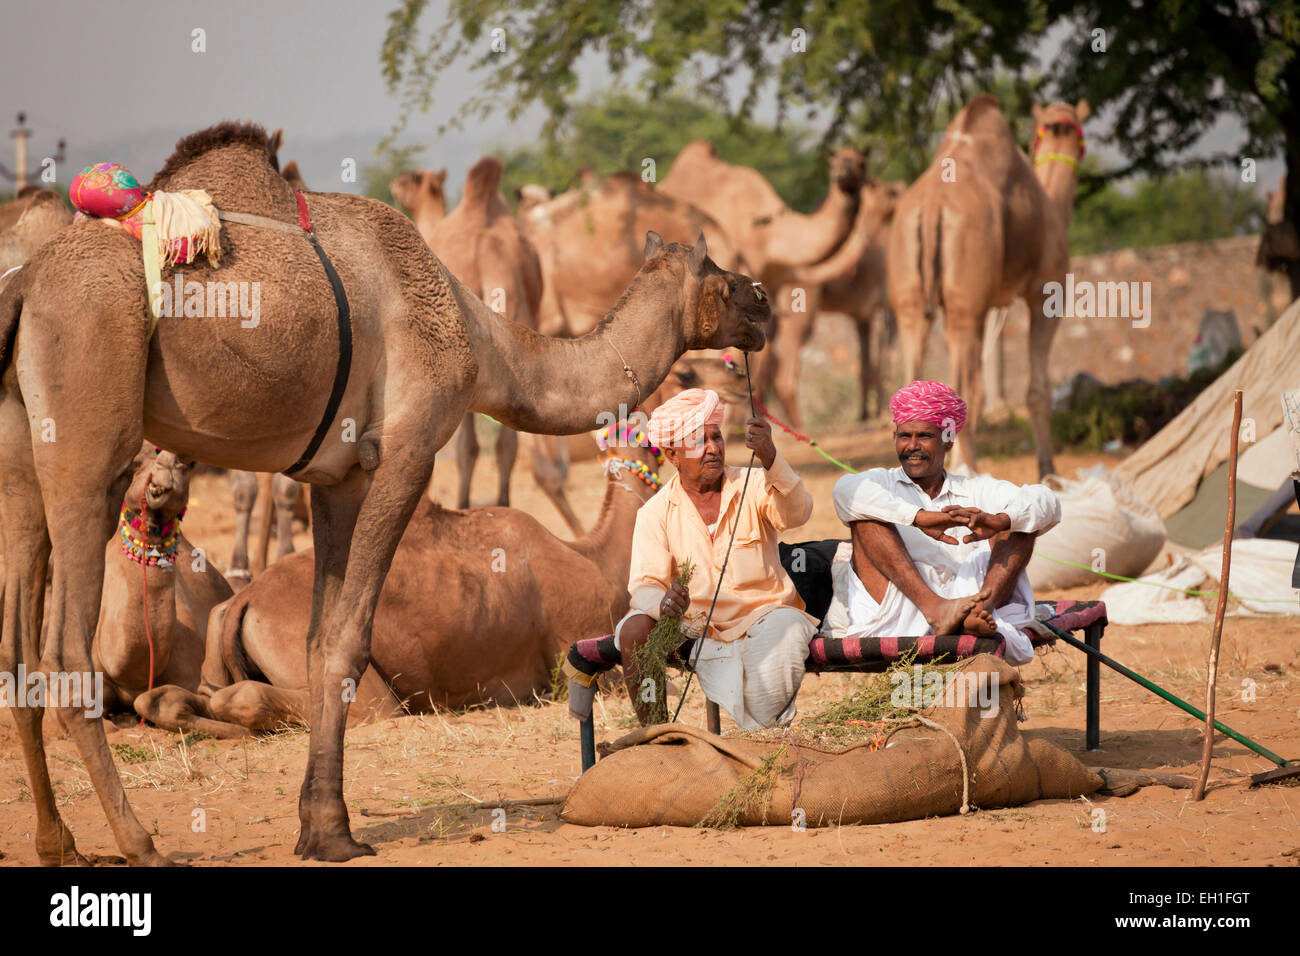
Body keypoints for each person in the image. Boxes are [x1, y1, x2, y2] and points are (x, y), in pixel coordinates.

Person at [619, 388, 817, 729]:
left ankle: (763, 738)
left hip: (765, 617)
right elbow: (643, 586)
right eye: (698, 440)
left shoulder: (755, 482)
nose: (712, 448)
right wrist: (664, 603)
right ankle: (656, 736)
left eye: (716, 437)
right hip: (697, 627)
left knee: (784, 635)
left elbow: (798, 513)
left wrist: (771, 458)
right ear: (672, 454)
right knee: (634, 628)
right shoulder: (655, 512)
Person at [827, 380, 1061, 664]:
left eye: (924, 436)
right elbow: (844, 492)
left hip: (972, 600)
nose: (912, 446)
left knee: (1020, 523)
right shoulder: (879, 483)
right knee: (864, 519)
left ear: (948, 439)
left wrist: (1000, 520)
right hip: (899, 607)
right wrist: (917, 517)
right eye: (904, 436)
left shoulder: (975, 490)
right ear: (894, 437)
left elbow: (1046, 500)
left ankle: (976, 613)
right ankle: (937, 611)